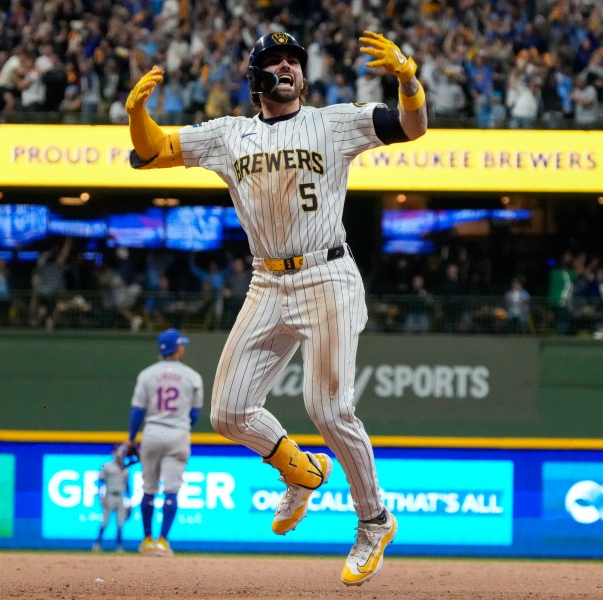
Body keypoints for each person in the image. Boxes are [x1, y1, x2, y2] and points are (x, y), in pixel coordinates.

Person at [125, 29, 427, 585]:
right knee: (228, 413)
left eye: (294, 60)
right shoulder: (227, 135)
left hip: (327, 271)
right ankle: (299, 470)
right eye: (274, 60)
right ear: (255, 77)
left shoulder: (332, 122)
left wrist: (408, 80)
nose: (287, 66)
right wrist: (137, 114)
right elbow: (149, 152)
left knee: (328, 409)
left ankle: (374, 519)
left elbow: (412, 127)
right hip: (268, 280)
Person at [124, 329, 203, 558]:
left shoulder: (147, 374)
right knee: (171, 490)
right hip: (178, 432)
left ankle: (147, 541)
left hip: (152, 431)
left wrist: (131, 438)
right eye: (182, 345)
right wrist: (182, 428)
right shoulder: (193, 376)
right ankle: (163, 541)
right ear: (177, 348)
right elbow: (195, 414)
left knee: (148, 489)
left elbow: (137, 410)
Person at [92, 444, 134, 553]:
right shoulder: (107, 466)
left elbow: (127, 485)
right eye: (117, 451)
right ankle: (97, 544)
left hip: (120, 496)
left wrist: (129, 501)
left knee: (120, 523)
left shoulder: (125, 468)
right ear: (113, 453)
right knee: (105, 522)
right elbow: (100, 482)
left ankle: (119, 546)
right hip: (109, 495)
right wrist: (101, 496)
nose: (119, 454)